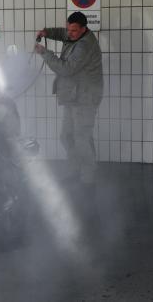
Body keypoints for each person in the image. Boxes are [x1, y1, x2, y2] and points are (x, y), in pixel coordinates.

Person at [35, 11, 103, 191]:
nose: (69, 33)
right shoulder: (75, 34)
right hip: (73, 96)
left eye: (73, 31)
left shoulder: (84, 46)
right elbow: (63, 34)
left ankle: (88, 179)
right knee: (66, 136)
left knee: (82, 139)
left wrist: (45, 53)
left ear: (83, 29)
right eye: (68, 29)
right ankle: (75, 170)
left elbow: (66, 69)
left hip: (85, 97)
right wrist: (47, 32)